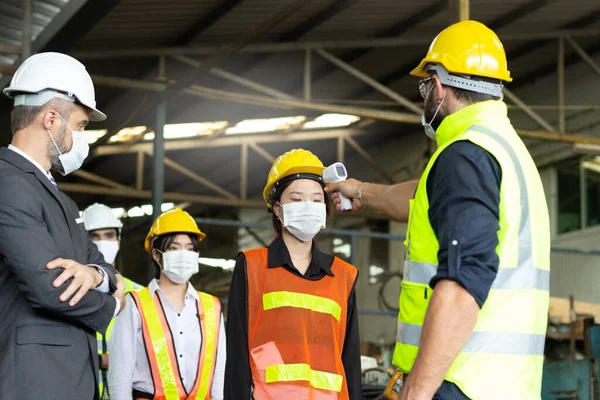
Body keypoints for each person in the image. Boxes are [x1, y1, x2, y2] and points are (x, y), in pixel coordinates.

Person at [326, 21, 550, 400]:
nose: (425, 96)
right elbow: (423, 198)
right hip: (504, 386)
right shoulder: (503, 150)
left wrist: (417, 390)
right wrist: (361, 192)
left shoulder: (464, 156)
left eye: (425, 86)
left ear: (439, 85)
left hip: (459, 381)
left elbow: (463, 284)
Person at [0, 52, 126, 400]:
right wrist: (112, 305)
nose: (81, 138)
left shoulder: (62, 199)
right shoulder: (8, 182)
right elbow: (50, 287)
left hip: (67, 378)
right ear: (52, 119)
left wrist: (96, 275)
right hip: (33, 379)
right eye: (82, 126)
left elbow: (101, 263)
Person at [225, 149, 362, 400]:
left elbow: (350, 361)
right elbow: (236, 355)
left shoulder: (344, 275)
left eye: (316, 199)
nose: (308, 207)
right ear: (277, 208)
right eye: (297, 200)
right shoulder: (252, 266)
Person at [107, 208, 225, 400]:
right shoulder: (135, 304)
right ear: (156, 254)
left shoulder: (212, 307)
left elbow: (218, 376)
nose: (183, 254)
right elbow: (120, 376)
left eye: (190, 248)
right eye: (174, 248)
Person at [82, 202, 144, 399]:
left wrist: (116, 360)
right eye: (94, 236)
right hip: (84, 390)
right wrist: (100, 360)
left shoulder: (140, 294)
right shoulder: (70, 292)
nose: (102, 242)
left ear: (118, 241)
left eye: (109, 235)